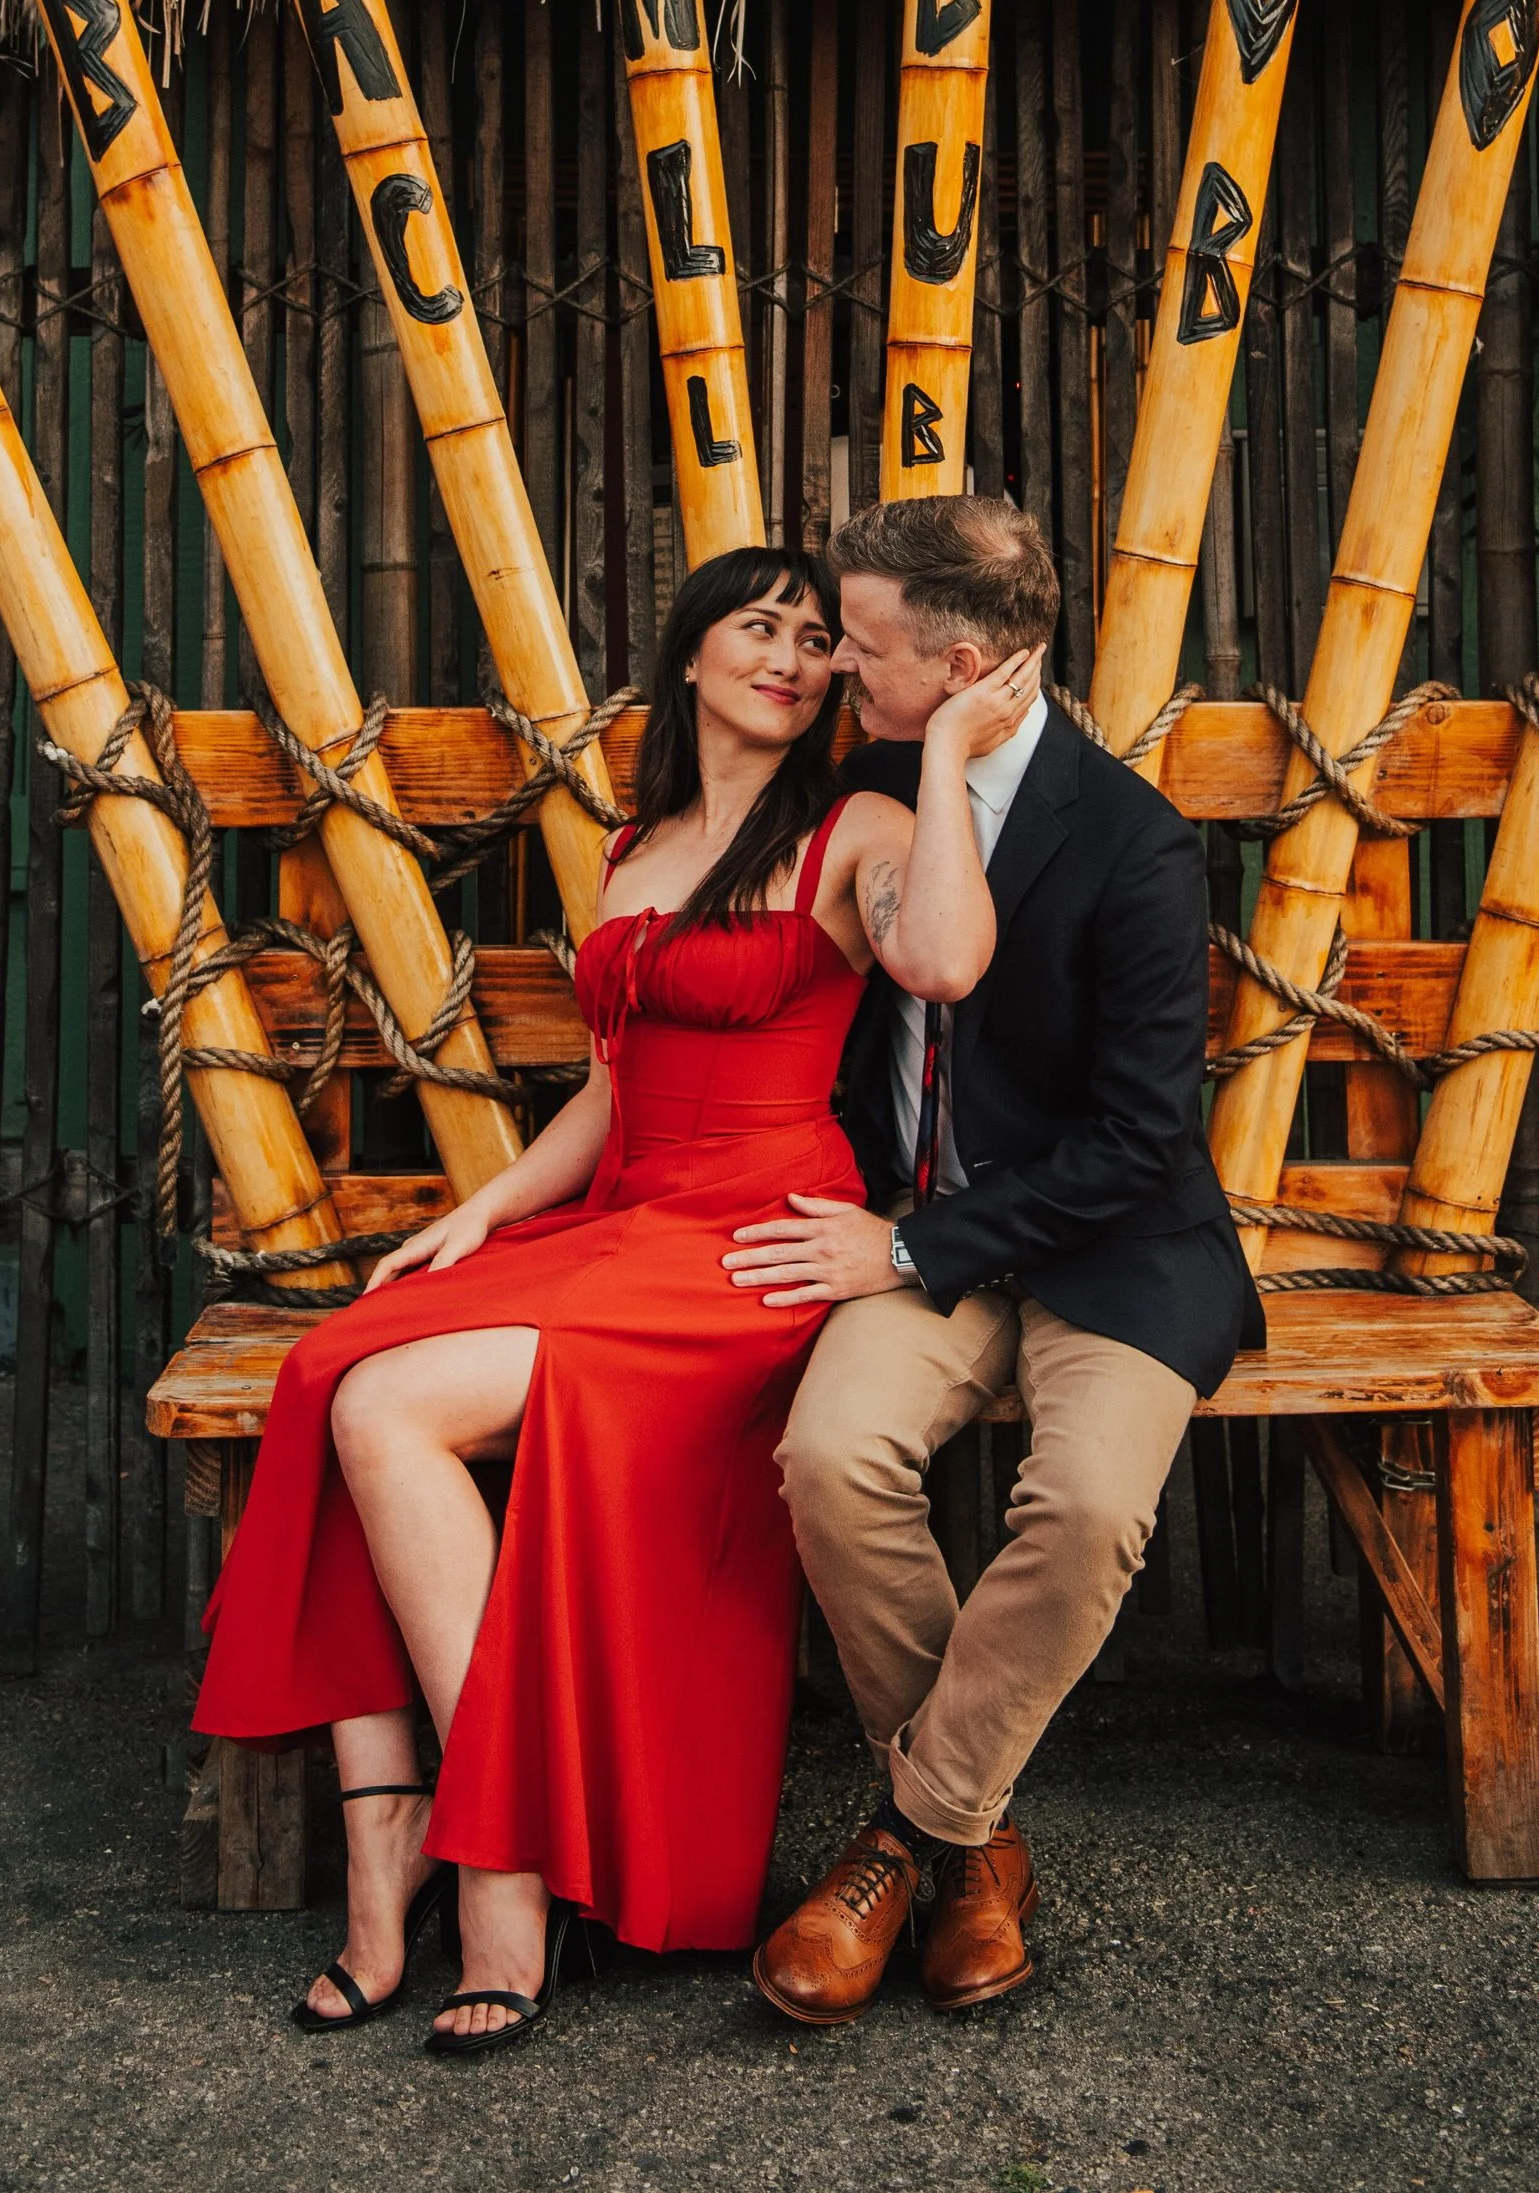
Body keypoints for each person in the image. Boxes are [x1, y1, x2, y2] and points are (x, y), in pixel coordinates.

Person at [188, 544, 1034, 2055]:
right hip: (623, 1216)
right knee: (328, 1373)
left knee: (385, 1407)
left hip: (750, 1242)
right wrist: (477, 1218)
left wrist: (950, 745)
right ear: (691, 655)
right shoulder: (632, 841)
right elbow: (610, 1086)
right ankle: (392, 1868)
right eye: (756, 629)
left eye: (813, 640)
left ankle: (496, 1862)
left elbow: (950, 962)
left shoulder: (862, 826)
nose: (789, 656)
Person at [729, 495, 1264, 2024]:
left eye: (867, 650)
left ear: (962, 665)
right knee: (829, 1456)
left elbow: (1142, 1136)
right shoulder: (858, 783)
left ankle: (906, 1839)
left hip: (1104, 1247)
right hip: (911, 1228)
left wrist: (914, 1241)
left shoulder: (1135, 842)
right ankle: (976, 1853)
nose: (836, 669)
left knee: (1089, 1506)